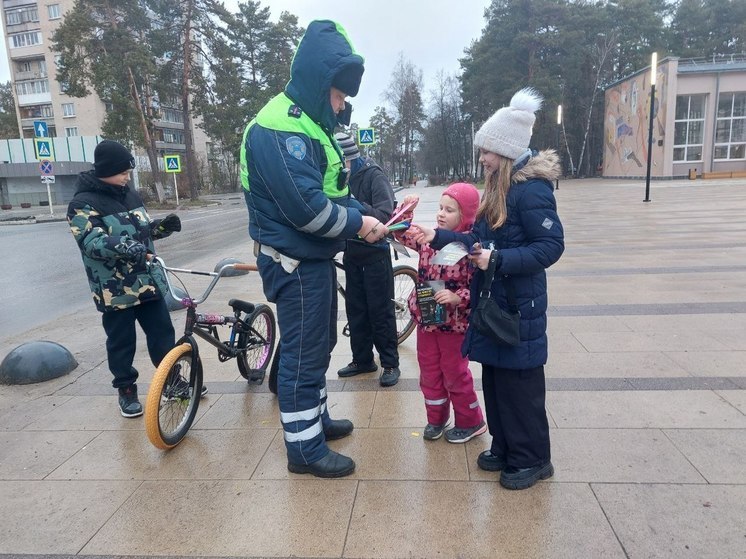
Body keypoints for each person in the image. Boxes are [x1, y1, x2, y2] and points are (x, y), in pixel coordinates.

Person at [239, 20, 386, 478]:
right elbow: (310, 212)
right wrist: (362, 224)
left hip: (312, 259)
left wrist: (371, 214)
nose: (341, 107)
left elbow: (332, 193)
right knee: (302, 356)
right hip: (294, 261)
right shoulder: (279, 129)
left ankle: (316, 421)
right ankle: (304, 450)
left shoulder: (310, 126)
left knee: (317, 348)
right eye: (339, 97)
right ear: (319, 84)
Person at [411, 88, 564, 489]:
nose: (482, 158)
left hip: (519, 307)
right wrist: (438, 237)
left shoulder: (531, 190)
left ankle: (532, 459)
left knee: (521, 388)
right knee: (496, 383)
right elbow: (475, 239)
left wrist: (496, 260)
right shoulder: (499, 186)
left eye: (488, 151)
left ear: (507, 151)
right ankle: (505, 447)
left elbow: (550, 247)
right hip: (495, 305)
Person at [67, 140, 188, 418]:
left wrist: (160, 228)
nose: (127, 176)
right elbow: (91, 242)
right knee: (121, 343)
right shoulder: (82, 204)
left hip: (147, 282)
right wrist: (125, 246)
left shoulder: (129, 195)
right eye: (123, 171)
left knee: (162, 335)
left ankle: (171, 380)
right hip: (115, 290)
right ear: (106, 170)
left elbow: (140, 233)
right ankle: (126, 390)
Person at [393, 183, 486, 443]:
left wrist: (459, 297)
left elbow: (478, 287)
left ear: (466, 215)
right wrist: (406, 209)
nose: (441, 214)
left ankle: (472, 421)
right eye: (440, 208)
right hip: (427, 320)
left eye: (450, 210)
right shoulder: (428, 238)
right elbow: (400, 232)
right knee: (430, 372)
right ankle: (436, 418)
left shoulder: (471, 248)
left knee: (455, 373)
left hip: (454, 326)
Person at [334, 131, 401, 387]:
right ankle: (362, 360)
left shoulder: (374, 175)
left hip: (375, 255)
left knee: (380, 310)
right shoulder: (338, 177)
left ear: (350, 159)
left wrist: (355, 207)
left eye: (342, 164)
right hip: (352, 253)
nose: (340, 169)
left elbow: (386, 214)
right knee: (356, 310)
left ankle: (390, 363)